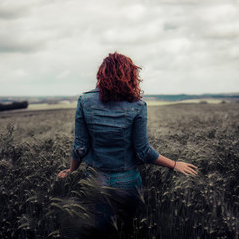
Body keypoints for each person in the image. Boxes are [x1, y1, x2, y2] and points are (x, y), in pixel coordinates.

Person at [57, 52, 198, 237]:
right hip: (128, 181)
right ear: (130, 75)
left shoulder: (84, 101)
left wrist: (72, 169)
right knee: (128, 230)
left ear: (101, 74)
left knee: (100, 232)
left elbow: (80, 146)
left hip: (95, 180)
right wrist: (174, 164)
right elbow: (143, 151)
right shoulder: (138, 105)